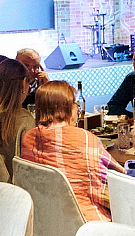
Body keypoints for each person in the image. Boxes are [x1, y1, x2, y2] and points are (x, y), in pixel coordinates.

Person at [21, 80, 121, 221]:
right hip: (87, 223)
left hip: (44, 221)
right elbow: (117, 182)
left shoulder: (29, 138)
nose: (77, 109)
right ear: (66, 107)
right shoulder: (85, 139)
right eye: (75, 103)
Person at [0, 57, 36, 172]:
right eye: (28, 82)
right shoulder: (25, 121)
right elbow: (31, 169)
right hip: (17, 182)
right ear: (23, 83)